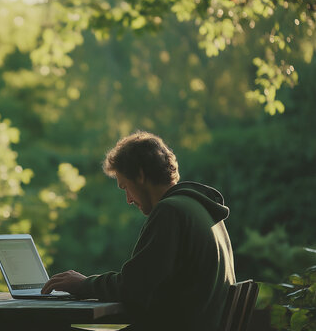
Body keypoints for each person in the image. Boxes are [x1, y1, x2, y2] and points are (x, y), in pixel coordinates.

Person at [41, 131, 236, 331]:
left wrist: (83, 285)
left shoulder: (170, 211)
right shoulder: (202, 210)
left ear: (140, 175)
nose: (128, 199)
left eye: (125, 187)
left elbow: (134, 288)